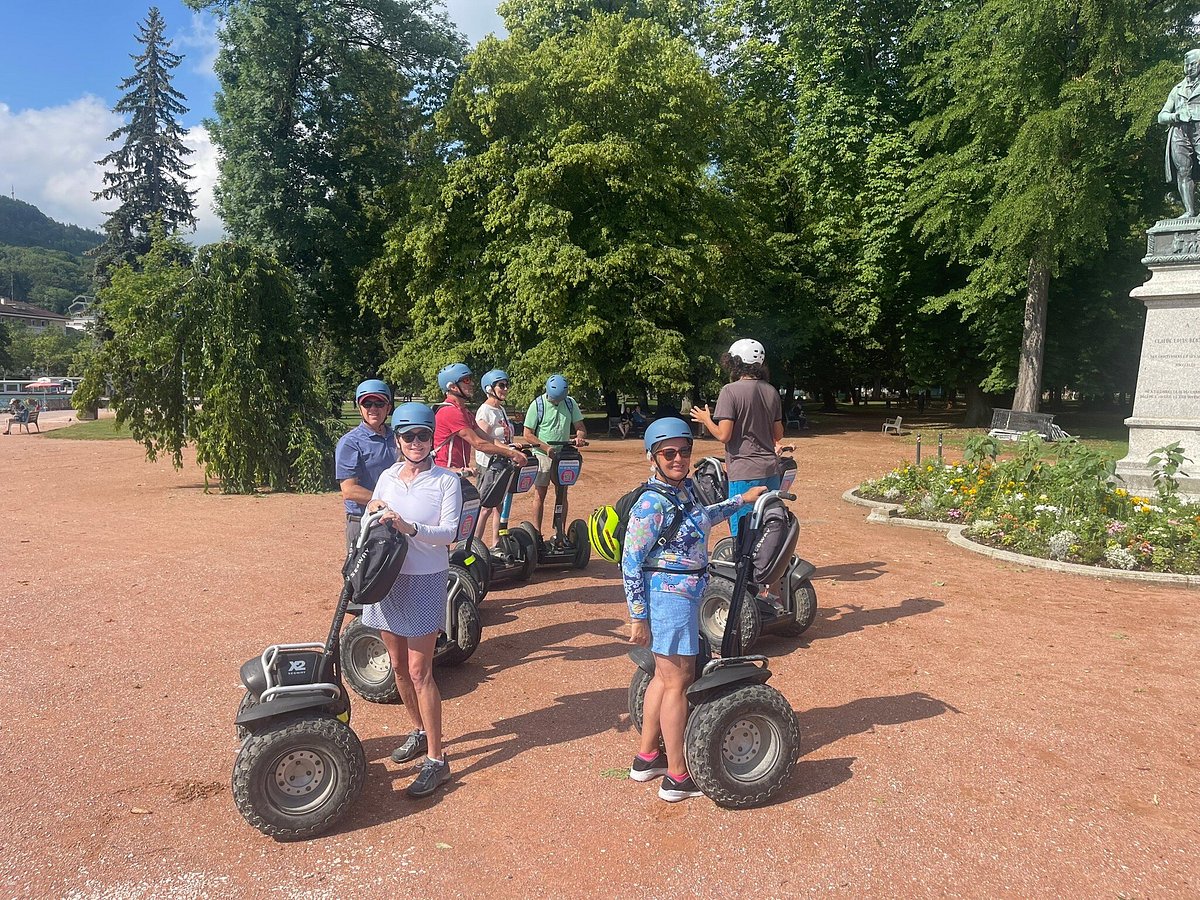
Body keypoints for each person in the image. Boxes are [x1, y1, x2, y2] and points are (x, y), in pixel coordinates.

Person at [622, 418, 765, 802]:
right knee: (677, 682)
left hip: (682, 595)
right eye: (669, 453)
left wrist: (740, 500)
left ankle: (647, 757)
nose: (679, 459)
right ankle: (677, 777)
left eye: (684, 451)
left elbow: (700, 520)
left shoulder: (682, 493)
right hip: (669, 599)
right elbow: (630, 561)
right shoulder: (652, 502)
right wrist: (637, 615)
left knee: (663, 678)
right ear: (652, 457)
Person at [364, 402, 463, 798]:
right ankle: (419, 731)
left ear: (431, 440)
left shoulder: (446, 481)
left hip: (424, 578)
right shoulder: (388, 476)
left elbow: (449, 533)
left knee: (422, 672)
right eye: (409, 436)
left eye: (423, 436)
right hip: (387, 578)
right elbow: (372, 507)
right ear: (399, 439)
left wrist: (409, 526)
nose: (417, 442)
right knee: (398, 667)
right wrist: (374, 508)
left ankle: (437, 761)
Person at [690, 338, 785, 537]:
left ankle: (743, 568)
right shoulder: (771, 391)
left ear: (736, 362)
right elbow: (778, 435)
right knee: (768, 528)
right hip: (770, 469)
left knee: (742, 531)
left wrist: (706, 419)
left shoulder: (729, 391)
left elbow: (724, 435)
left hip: (744, 471)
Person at [432, 362, 528, 475]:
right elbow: (478, 444)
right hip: (445, 473)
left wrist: (511, 451)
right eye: (466, 380)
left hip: (459, 471)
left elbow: (488, 438)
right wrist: (511, 454)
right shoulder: (449, 412)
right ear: (453, 387)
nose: (472, 383)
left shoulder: (464, 411)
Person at [334, 379, 397, 552]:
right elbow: (349, 490)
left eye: (379, 403)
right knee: (363, 578)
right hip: (364, 521)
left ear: (388, 407)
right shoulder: (350, 442)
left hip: (396, 519)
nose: (373, 408)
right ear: (360, 408)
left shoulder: (399, 437)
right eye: (367, 403)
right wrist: (387, 503)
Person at [522, 374, 587, 533]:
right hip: (542, 454)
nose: (557, 402)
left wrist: (579, 437)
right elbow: (527, 434)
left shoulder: (570, 403)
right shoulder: (538, 404)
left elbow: (580, 427)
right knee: (540, 494)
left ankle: (560, 532)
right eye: (554, 400)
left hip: (563, 455)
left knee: (562, 493)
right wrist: (546, 448)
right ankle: (536, 532)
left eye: (559, 400)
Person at [474, 368, 517, 546]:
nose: (505, 389)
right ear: (489, 388)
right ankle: (473, 544)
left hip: (503, 463)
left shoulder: (500, 410)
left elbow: (502, 438)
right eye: (501, 385)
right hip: (488, 465)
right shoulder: (485, 411)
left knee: (499, 504)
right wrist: (505, 450)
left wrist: (512, 447)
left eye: (507, 385)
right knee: (485, 507)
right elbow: (482, 442)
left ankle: (495, 544)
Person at [1159, 49, 1200, 217]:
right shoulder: (1177, 90)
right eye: (1187, 65)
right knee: (1183, 171)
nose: (1189, 68)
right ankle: (1189, 211)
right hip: (1179, 132)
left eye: (1193, 64)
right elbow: (1161, 116)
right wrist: (1175, 115)